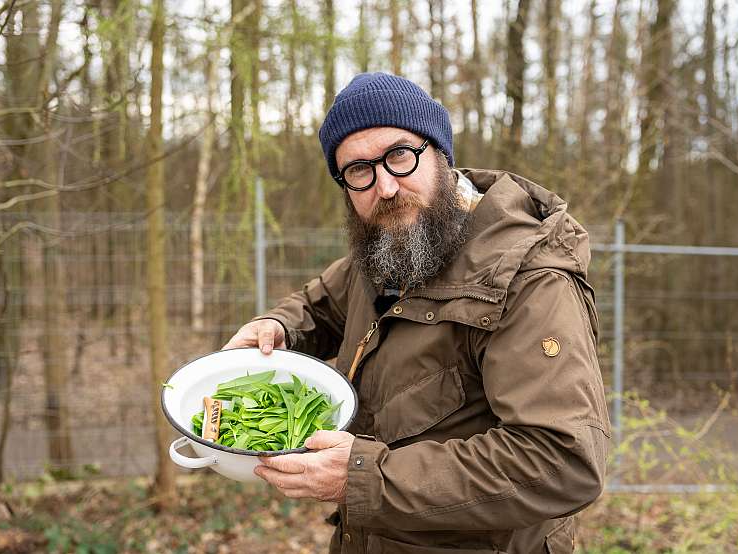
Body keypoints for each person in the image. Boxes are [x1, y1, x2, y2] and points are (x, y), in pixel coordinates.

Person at [223, 72, 611, 554]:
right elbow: (324, 300)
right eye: (359, 170)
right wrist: (280, 324)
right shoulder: (389, 247)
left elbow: (563, 461)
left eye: (399, 156)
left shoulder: (529, 280)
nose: (384, 186)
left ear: (441, 154)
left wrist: (362, 478)